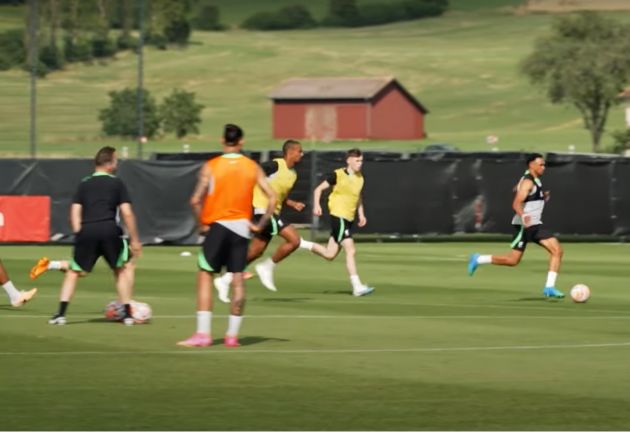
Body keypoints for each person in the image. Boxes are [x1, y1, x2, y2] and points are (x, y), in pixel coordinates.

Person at [177, 124, 276, 348]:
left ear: (223, 140)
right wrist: (260, 224)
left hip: (218, 226)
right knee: (238, 280)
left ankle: (203, 334)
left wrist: (201, 224)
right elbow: (272, 198)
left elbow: (194, 200)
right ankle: (232, 336)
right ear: (241, 141)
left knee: (205, 275)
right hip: (242, 228)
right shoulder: (252, 167)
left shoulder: (211, 166)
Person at [46, 146, 142, 325]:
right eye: (116, 160)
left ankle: (60, 314)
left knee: (75, 272)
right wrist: (135, 239)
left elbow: (74, 211)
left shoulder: (84, 183)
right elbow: (127, 213)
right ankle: (128, 314)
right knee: (120, 269)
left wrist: (80, 232)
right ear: (109, 164)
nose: (117, 163)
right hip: (109, 230)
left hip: (87, 230)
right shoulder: (116, 183)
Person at [213, 139, 305, 302]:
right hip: (261, 211)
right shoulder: (275, 166)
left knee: (255, 252)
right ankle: (267, 266)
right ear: (290, 152)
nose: (302, 154)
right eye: (299, 151)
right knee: (294, 240)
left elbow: (280, 196)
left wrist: (292, 203)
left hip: (271, 213)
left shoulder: (293, 174)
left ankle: (224, 279)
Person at [467, 152, 565, 298]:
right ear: (531, 165)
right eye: (541, 164)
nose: (544, 167)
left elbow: (523, 193)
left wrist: (541, 196)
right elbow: (516, 203)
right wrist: (524, 217)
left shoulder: (534, 180)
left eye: (544, 164)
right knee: (519, 259)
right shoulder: (528, 181)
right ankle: (479, 259)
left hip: (533, 224)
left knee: (549, 252)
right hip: (525, 226)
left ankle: (549, 287)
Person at [299, 148, 374, 297]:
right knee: (351, 250)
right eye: (357, 160)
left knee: (329, 254)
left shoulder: (360, 178)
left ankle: (301, 243)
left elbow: (358, 197)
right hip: (338, 216)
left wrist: (361, 214)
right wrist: (317, 205)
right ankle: (357, 286)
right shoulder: (337, 175)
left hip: (348, 219)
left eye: (361, 160)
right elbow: (318, 190)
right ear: (349, 161)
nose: (360, 163)